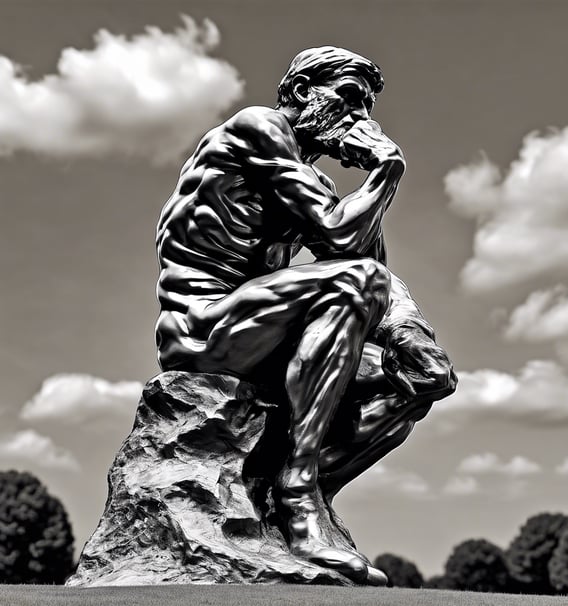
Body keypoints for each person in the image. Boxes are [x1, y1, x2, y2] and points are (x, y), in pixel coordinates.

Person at [155, 46, 457, 585]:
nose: (360, 119)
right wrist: (389, 167)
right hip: (201, 326)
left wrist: (414, 337)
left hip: (259, 331)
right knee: (355, 285)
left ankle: (295, 486)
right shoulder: (258, 129)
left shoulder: (317, 185)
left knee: (416, 384)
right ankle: (297, 494)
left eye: (367, 108)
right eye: (348, 99)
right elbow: (350, 256)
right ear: (300, 92)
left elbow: (371, 274)